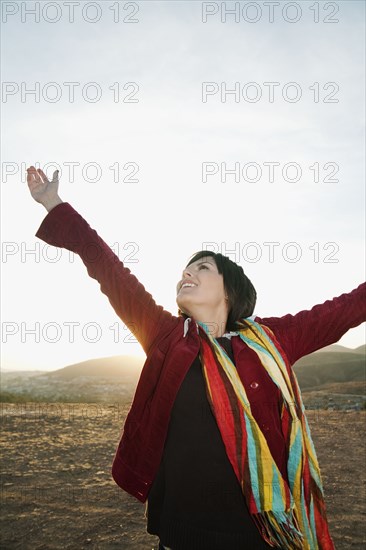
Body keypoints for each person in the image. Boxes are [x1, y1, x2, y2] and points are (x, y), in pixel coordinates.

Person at [27, 166, 366, 550]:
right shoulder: (166, 336)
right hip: (181, 534)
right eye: (185, 269)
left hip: (260, 534)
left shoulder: (273, 339)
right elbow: (109, 269)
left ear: (230, 289)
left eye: (202, 268)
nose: (187, 273)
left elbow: (344, 309)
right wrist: (52, 203)